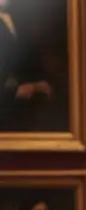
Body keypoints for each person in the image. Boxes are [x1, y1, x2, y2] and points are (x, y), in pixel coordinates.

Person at [0, 0, 54, 131]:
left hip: (26, 108)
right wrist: (12, 92)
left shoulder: (19, 17)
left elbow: (30, 57)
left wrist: (40, 83)